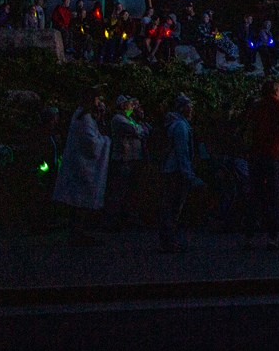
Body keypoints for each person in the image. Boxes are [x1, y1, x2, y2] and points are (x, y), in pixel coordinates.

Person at [52, 87, 111, 245]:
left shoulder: (81, 116)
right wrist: (105, 141)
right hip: (83, 166)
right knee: (81, 200)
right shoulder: (84, 118)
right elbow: (91, 143)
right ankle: (78, 232)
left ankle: (78, 231)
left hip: (80, 164)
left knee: (78, 201)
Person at [247, 78, 279, 250]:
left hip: (256, 155)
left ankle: (250, 237)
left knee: (254, 196)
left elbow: (250, 128)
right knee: (274, 197)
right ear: (276, 91)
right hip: (273, 155)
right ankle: (272, 238)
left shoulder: (256, 107)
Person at [158, 94, 205, 252]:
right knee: (173, 207)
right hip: (176, 171)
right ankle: (169, 241)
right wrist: (188, 174)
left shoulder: (176, 124)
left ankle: (168, 239)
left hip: (171, 169)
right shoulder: (181, 127)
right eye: (189, 106)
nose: (191, 109)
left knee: (170, 206)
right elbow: (182, 152)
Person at [105, 95, 150, 230]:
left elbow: (144, 131)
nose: (133, 106)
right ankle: (112, 221)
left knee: (129, 191)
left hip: (131, 159)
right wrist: (139, 130)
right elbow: (138, 131)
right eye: (130, 104)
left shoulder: (128, 119)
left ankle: (125, 219)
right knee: (119, 191)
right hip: (123, 160)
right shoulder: (119, 120)